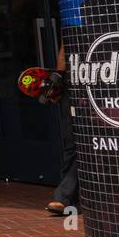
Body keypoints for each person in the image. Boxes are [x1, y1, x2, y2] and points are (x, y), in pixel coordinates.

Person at [47, 42, 78, 216]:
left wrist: (58, 78)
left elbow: (64, 49)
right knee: (72, 142)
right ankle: (66, 198)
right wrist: (57, 80)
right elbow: (64, 47)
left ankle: (67, 198)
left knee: (75, 143)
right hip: (76, 83)